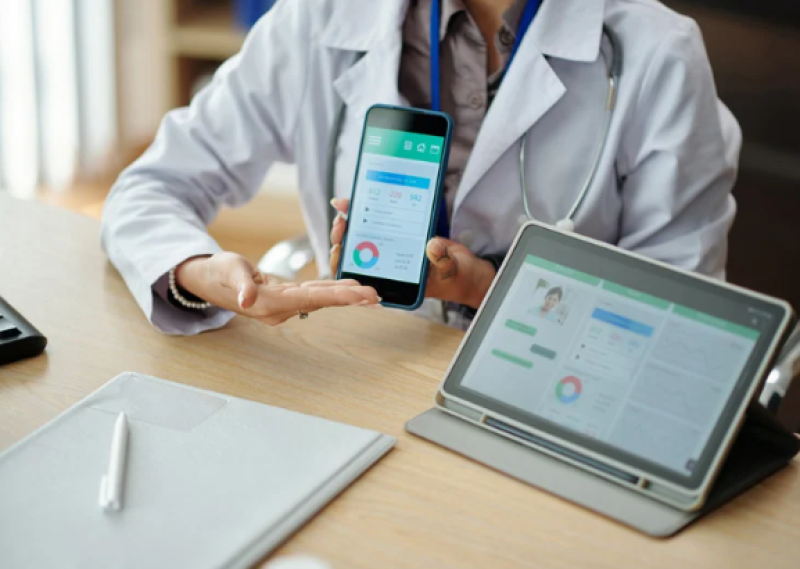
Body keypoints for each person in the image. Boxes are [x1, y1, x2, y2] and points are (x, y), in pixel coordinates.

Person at [101, 0, 741, 335]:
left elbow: (680, 318)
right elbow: (151, 188)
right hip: (361, 375)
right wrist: (197, 272)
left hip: (551, 401)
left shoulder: (656, 54)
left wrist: (486, 290)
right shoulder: (321, 15)